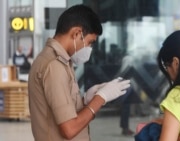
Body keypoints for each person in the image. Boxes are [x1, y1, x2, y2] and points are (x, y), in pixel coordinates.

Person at [28, 4, 131, 141]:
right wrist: (100, 98)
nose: (89, 48)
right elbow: (69, 130)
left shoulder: (60, 61)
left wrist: (85, 101)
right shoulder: (54, 66)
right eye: (90, 42)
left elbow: (59, 110)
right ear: (77, 33)